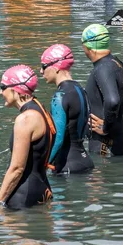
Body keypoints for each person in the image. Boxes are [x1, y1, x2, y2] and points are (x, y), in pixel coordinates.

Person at [0, 65, 54, 210]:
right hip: (42, 190)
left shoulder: (25, 119)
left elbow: (17, 168)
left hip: (23, 197)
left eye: (3, 87)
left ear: (16, 90)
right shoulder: (41, 109)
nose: (0, 91)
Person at [41, 45, 94, 174]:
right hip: (86, 162)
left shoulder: (60, 96)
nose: (41, 72)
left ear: (56, 67)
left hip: (67, 166)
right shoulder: (80, 89)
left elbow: (57, 138)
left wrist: (41, 165)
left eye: (43, 66)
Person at [81, 24, 123, 157]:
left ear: (87, 46)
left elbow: (113, 100)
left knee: (103, 176)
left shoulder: (103, 68)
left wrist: (106, 127)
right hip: (121, 140)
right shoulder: (116, 63)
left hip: (104, 147)